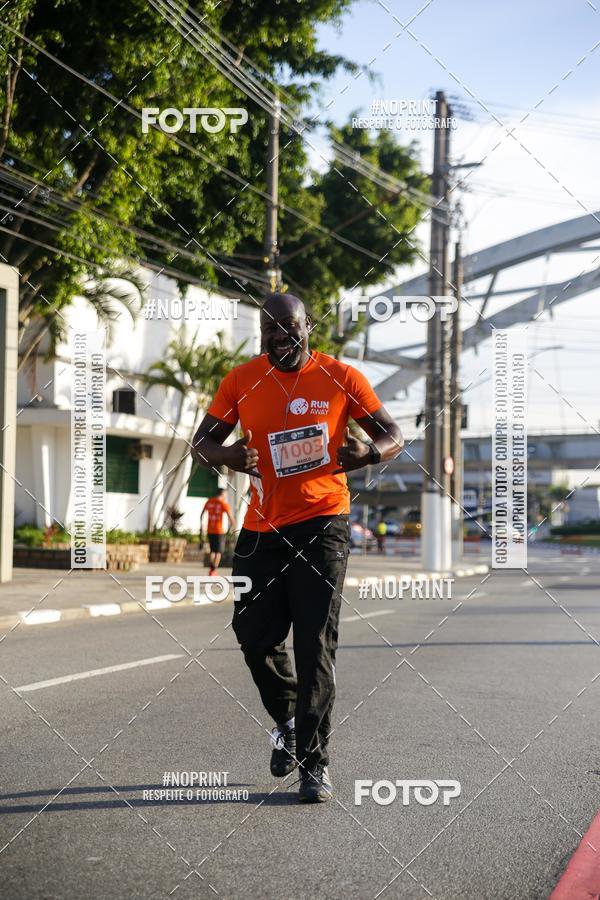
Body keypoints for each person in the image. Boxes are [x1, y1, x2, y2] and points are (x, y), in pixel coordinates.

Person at [192, 293, 403, 803]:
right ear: (261, 334)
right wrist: (229, 456)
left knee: (314, 644)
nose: (281, 336)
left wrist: (370, 453)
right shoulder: (240, 381)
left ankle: (315, 763)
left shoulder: (342, 377)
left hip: (323, 524)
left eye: (290, 326)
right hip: (260, 529)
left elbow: (393, 433)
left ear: (309, 326)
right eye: (270, 328)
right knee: (253, 635)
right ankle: (287, 721)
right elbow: (202, 444)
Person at [200, 488, 233, 576]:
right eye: (225, 494)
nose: (226, 496)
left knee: (212, 550)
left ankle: (211, 570)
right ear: (222, 494)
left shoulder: (209, 501)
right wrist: (232, 527)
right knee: (218, 552)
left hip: (210, 529)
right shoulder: (223, 503)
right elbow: (231, 518)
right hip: (219, 531)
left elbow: (202, 514)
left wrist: (201, 525)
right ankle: (213, 570)